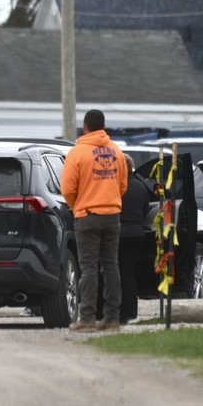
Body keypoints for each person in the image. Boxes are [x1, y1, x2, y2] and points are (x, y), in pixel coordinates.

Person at [61, 109, 127, 333]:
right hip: (112, 215)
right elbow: (123, 185)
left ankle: (87, 318)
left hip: (87, 215)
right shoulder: (116, 152)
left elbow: (68, 188)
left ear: (85, 127)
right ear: (103, 126)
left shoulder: (77, 153)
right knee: (111, 265)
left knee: (88, 267)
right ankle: (112, 318)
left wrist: (77, 204)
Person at [117, 153, 150, 324]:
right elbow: (145, 211)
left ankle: (113, 311)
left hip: (117, 234)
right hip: (137, 234)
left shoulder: (115, 187)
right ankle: (130, 312)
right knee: (129, 273)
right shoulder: (141, 186)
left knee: (113, 273)